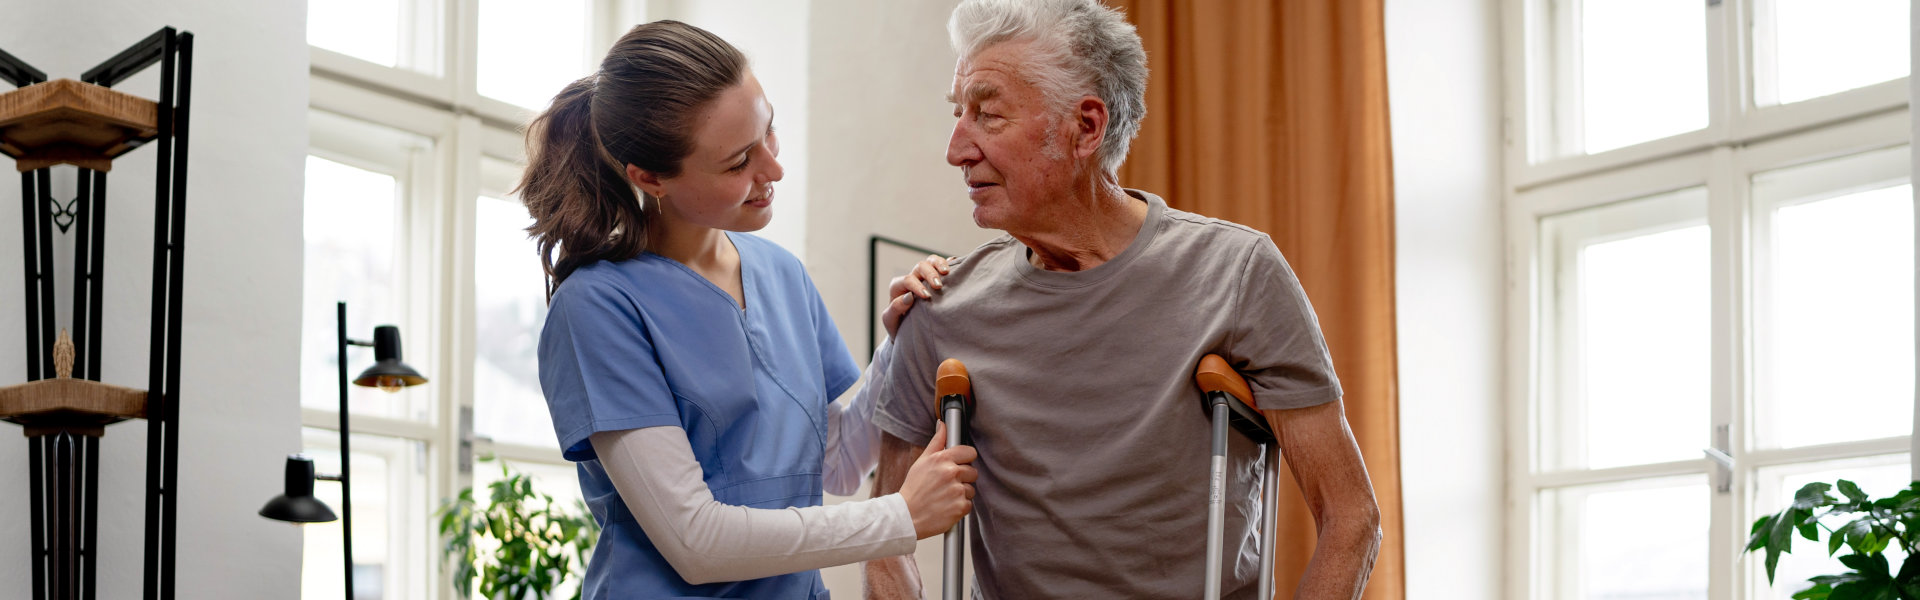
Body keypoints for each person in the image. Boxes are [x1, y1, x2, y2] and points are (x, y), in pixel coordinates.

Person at [861, 1, 1383, 598]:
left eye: (988, 114)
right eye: (959, 114)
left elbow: (1351, 517)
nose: (957, 149)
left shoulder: (1238, 274)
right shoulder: (938, 305)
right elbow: (884, 531)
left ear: (1086, 127)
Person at [521, 21, 976, 600]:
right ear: (650, 177)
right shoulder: (598, 308)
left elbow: (835, 463)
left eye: (770, 133)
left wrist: (901, 341)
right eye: (739, 162)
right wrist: (900, 517)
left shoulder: (781, 273)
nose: (774, 170)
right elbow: (696, 542)